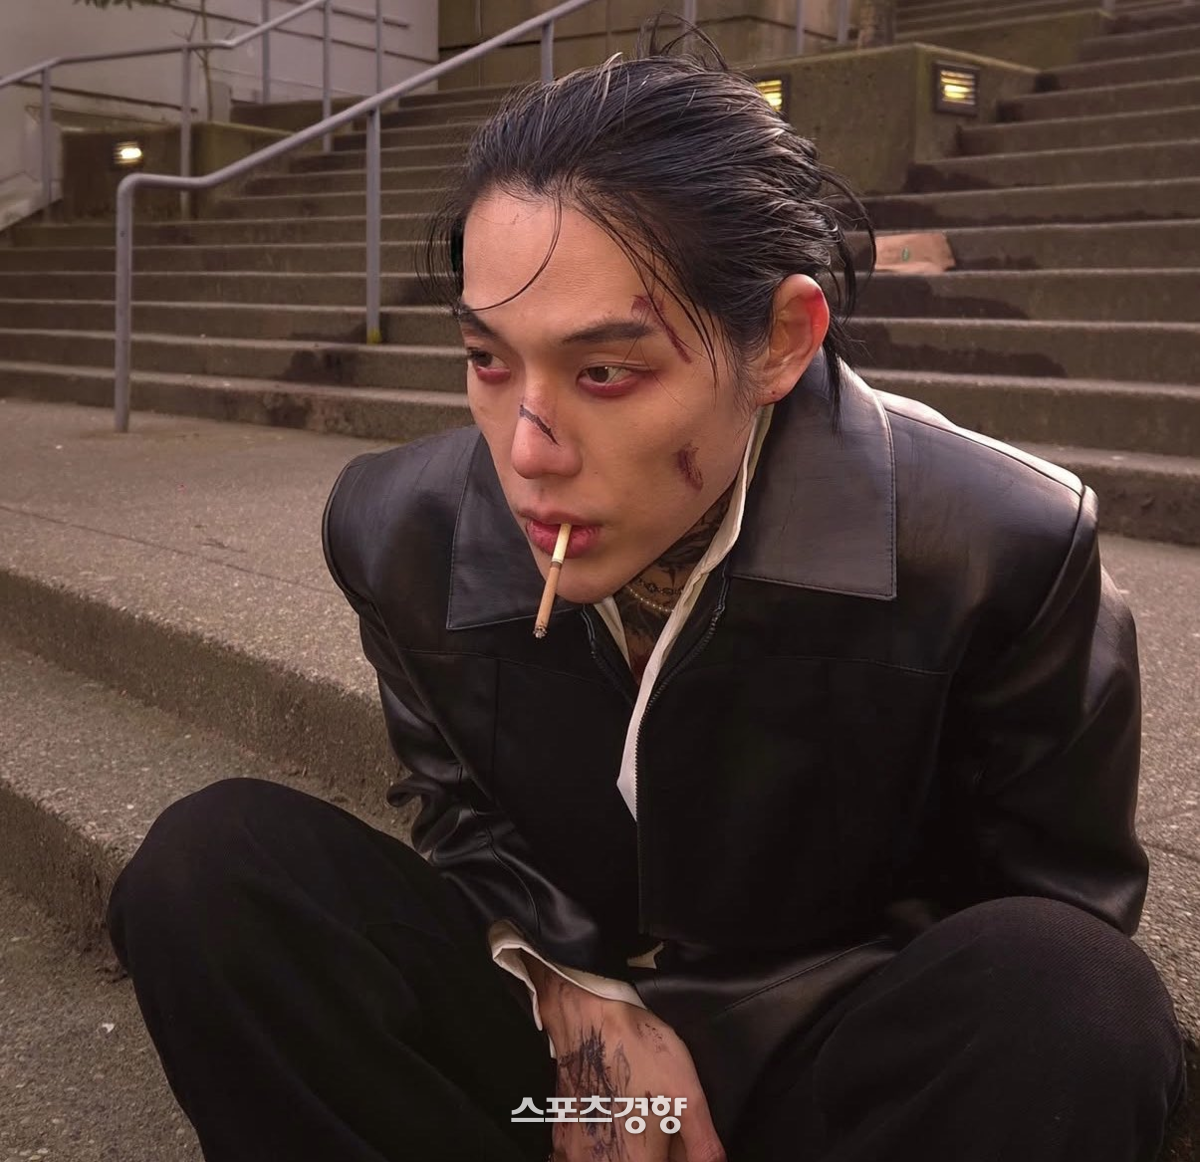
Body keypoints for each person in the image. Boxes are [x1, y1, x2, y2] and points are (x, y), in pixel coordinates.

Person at [105, 23, 1186, 1162]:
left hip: (830, 1082)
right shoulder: (401, 529)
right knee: (214, 869)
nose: (527, 450)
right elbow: (460, 812)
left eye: (605, 371)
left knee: (1074, 992)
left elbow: (1053, 902)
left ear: (781, 340)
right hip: (544, 1078)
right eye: (488, 359)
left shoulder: (998, 544)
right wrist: (571, 984)